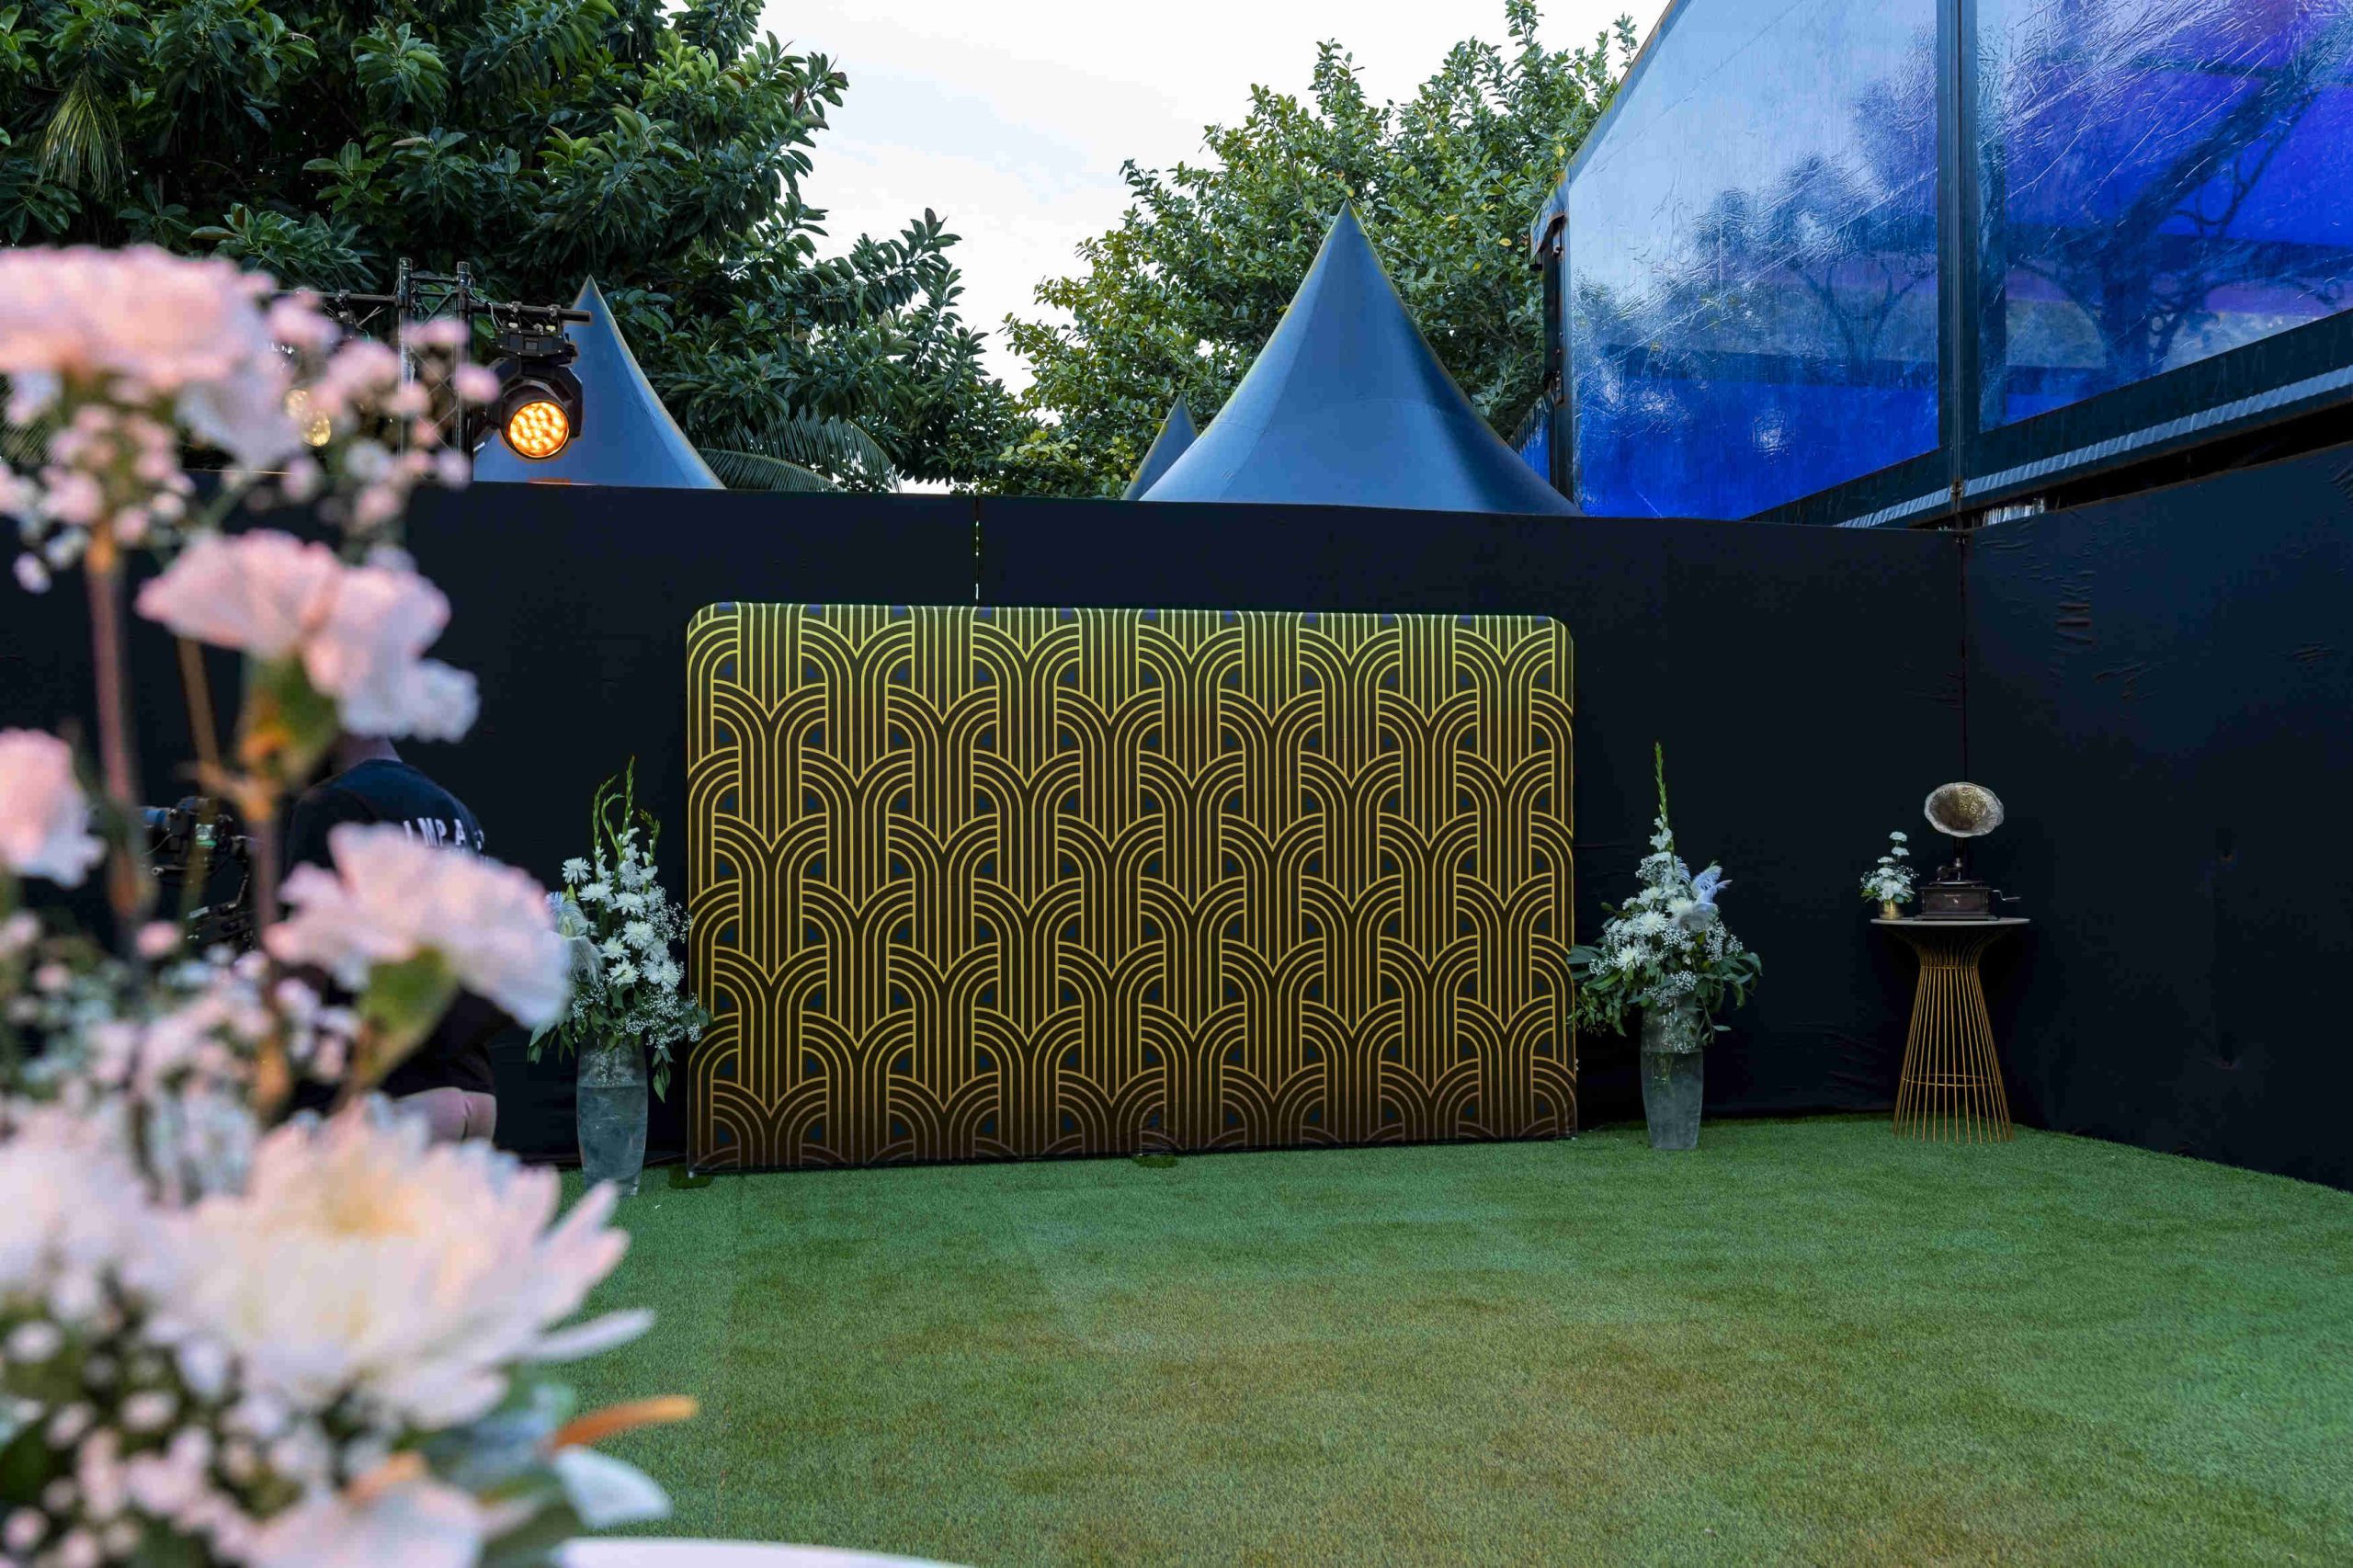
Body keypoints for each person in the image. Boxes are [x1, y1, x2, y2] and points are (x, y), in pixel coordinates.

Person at [282, 733, 505, 1142]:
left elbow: (307, 974)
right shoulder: (457, 813)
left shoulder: (334, 804)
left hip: (393, 1097)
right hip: (476, 1093)